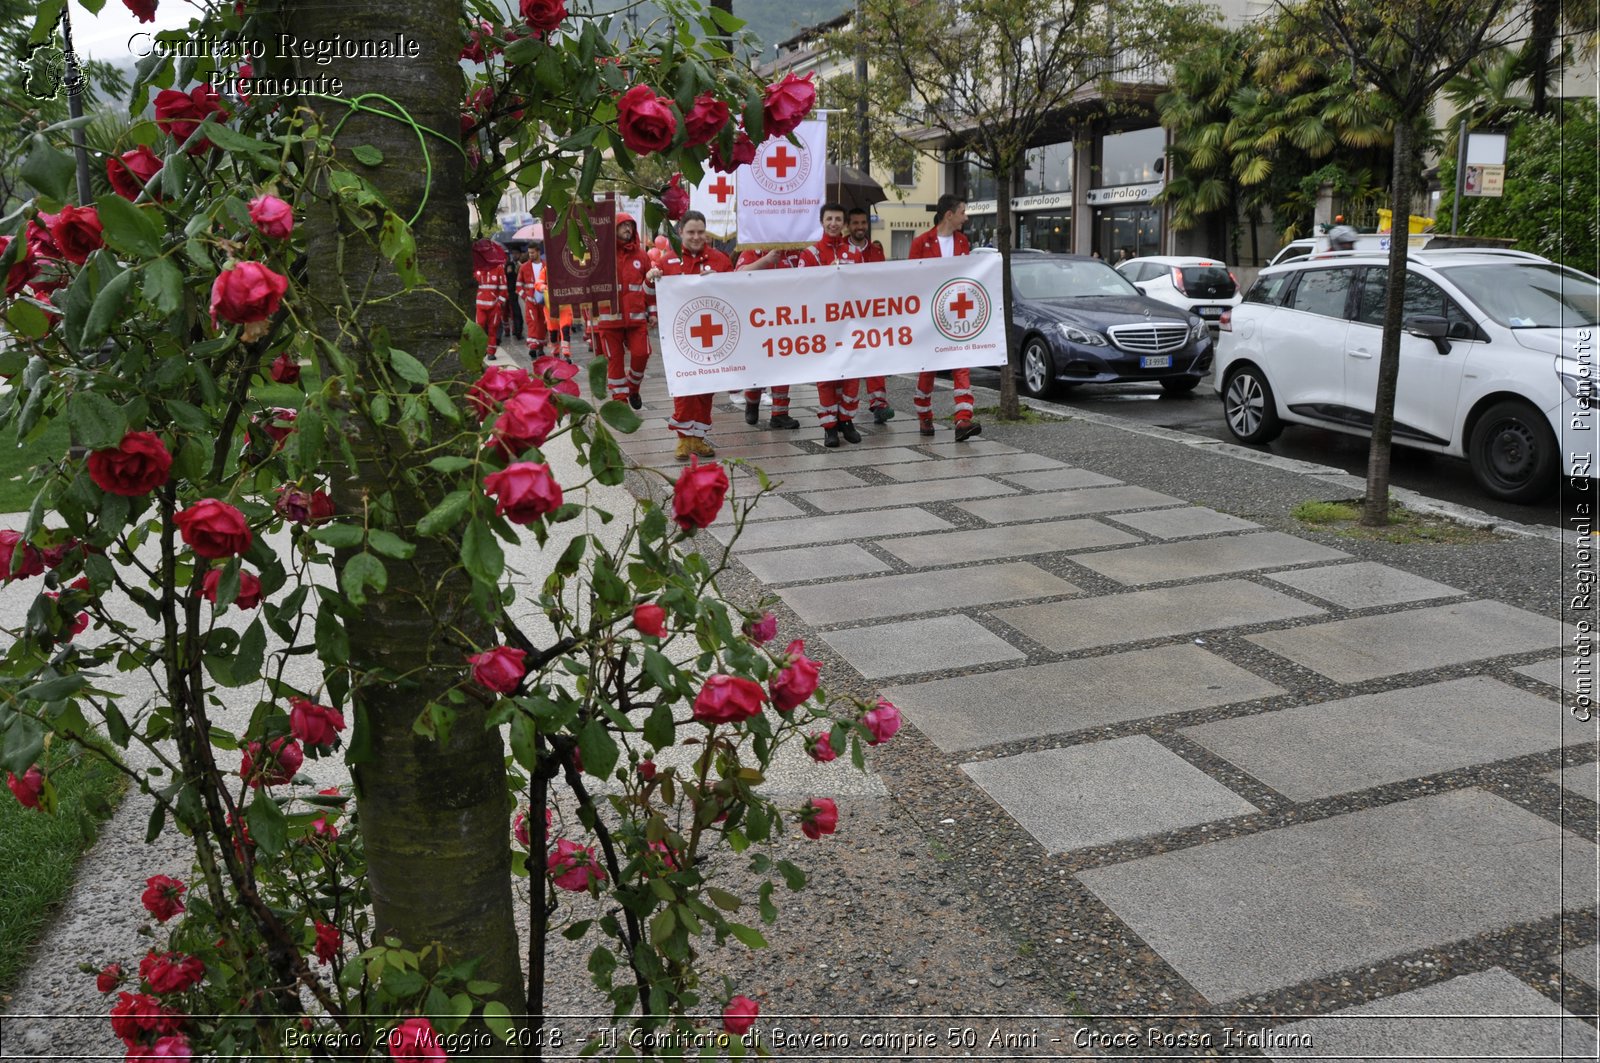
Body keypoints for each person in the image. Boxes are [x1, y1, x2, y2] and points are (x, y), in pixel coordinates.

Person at [647, 210, 731, 461]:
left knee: (706, 387)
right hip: (679, 337)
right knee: (683, 386)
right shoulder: (667, 261)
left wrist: (722, 281)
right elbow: (648, 296)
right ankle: (684, 439)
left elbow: (738, 294)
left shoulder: (721, 260)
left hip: (713, 336)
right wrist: (651, 279)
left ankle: (699, 438)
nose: (696, 237)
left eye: (700, 232)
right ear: (680, 232)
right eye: (691, 232)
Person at [908, 194, 982, 442]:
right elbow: (912, 280)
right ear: (949, 215)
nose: (966, 217)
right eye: (963, 212)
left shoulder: (963, 242)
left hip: (956, 316)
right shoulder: (921, 243)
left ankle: (963, 420)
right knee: (928, 368)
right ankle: (924, 415)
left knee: (961, 364)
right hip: (929, 316)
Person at [793, 202, 867, 448]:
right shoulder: (810, 254)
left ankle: (846, 421)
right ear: (821, 222)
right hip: (821, 326)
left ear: (843, 223)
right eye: (829, 219)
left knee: (851, 374)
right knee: (826, 376)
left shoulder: (855, 254)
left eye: (838, 219)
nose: (833, 223)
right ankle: (829, 427)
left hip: (849, 325)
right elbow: (803, 288)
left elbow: (866, 288)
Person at [734, 245, 807, 430]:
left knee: (783, 365)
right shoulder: (750, 251)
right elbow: (737, 275)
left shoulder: (795, 254)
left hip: (785, 319)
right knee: (756, 365)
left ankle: (780, 414)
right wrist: (766, 260)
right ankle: (752, 403)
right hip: (756, 321)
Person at [593, 212, 654, 409]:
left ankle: (633, 388)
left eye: (631, 225)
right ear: (614, 228)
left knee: (641, 354)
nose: (628, 229)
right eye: (623, 225)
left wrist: (652, 312)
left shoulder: (642, 256)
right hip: (609, 320)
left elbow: (650, 287)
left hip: (636, 320)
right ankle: (619, 402)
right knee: (615, 361)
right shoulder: (600, 255)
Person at [845, 207, 894, 425]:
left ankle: (879, 404)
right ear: (848, 226)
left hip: (872, 315)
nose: (859, 227)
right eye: (855, 223)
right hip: (845, 316)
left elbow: (883, 281)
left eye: (863, 223)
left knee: (875, 357)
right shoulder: (841, 250)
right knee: (851, 361)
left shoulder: (875, 251)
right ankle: (847, 406)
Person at [516, 244, 548, 355]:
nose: (531, 255)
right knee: (532, 322)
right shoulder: (524, 267)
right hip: (530, 300)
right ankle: (533, 346)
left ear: (538, 252)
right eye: (529, 253)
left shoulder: (546, 266)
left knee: (542, 323)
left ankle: (540, 347)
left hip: (543, 301)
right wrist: (524, 297)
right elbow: (518, 285)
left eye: (532, 252)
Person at [473, 250, 507, 350]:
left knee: (493, 329)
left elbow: (503, 287)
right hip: (480, 305)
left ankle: (491, 351)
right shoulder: (476, 267)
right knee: (479, 328)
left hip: (494, 306)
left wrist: (499, 303)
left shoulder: (498, 268)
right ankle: (480, 350)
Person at [503, 247, 524, 341]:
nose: (515, 255)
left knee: (520, 311)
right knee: (515, 312)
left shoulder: (522, 265)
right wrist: (509, 271)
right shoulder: (509, 264)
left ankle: (519, 329)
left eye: (516, 253)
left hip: (522, 291)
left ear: (520, 254)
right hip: (512, 291)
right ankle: (517, 331)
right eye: (513, 253)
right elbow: (506, 276)